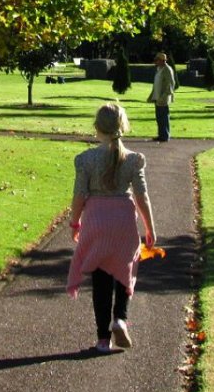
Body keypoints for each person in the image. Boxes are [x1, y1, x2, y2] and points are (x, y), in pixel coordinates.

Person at [67, 103, 157, 353]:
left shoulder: (85, 160)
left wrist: (75, 223)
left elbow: (79, 195)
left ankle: (102, 340)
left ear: (97, 128)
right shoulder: (134, 160)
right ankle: (120, 317)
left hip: (96, 222)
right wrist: (150, 227)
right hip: (123, 223)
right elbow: (142, 196)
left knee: (101, 281)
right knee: (125, 272)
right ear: (123, 127)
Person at [147, 52, 175, 142]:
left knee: (163, 117)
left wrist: (164, 96)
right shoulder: (159, 69)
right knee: (159, 118)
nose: (155, 62)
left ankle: (165, 136)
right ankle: (161, 135)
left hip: (163, 98)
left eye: (157, 60)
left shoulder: (167, 69)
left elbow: (170, 84)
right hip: (157, 97)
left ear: (162, 61)